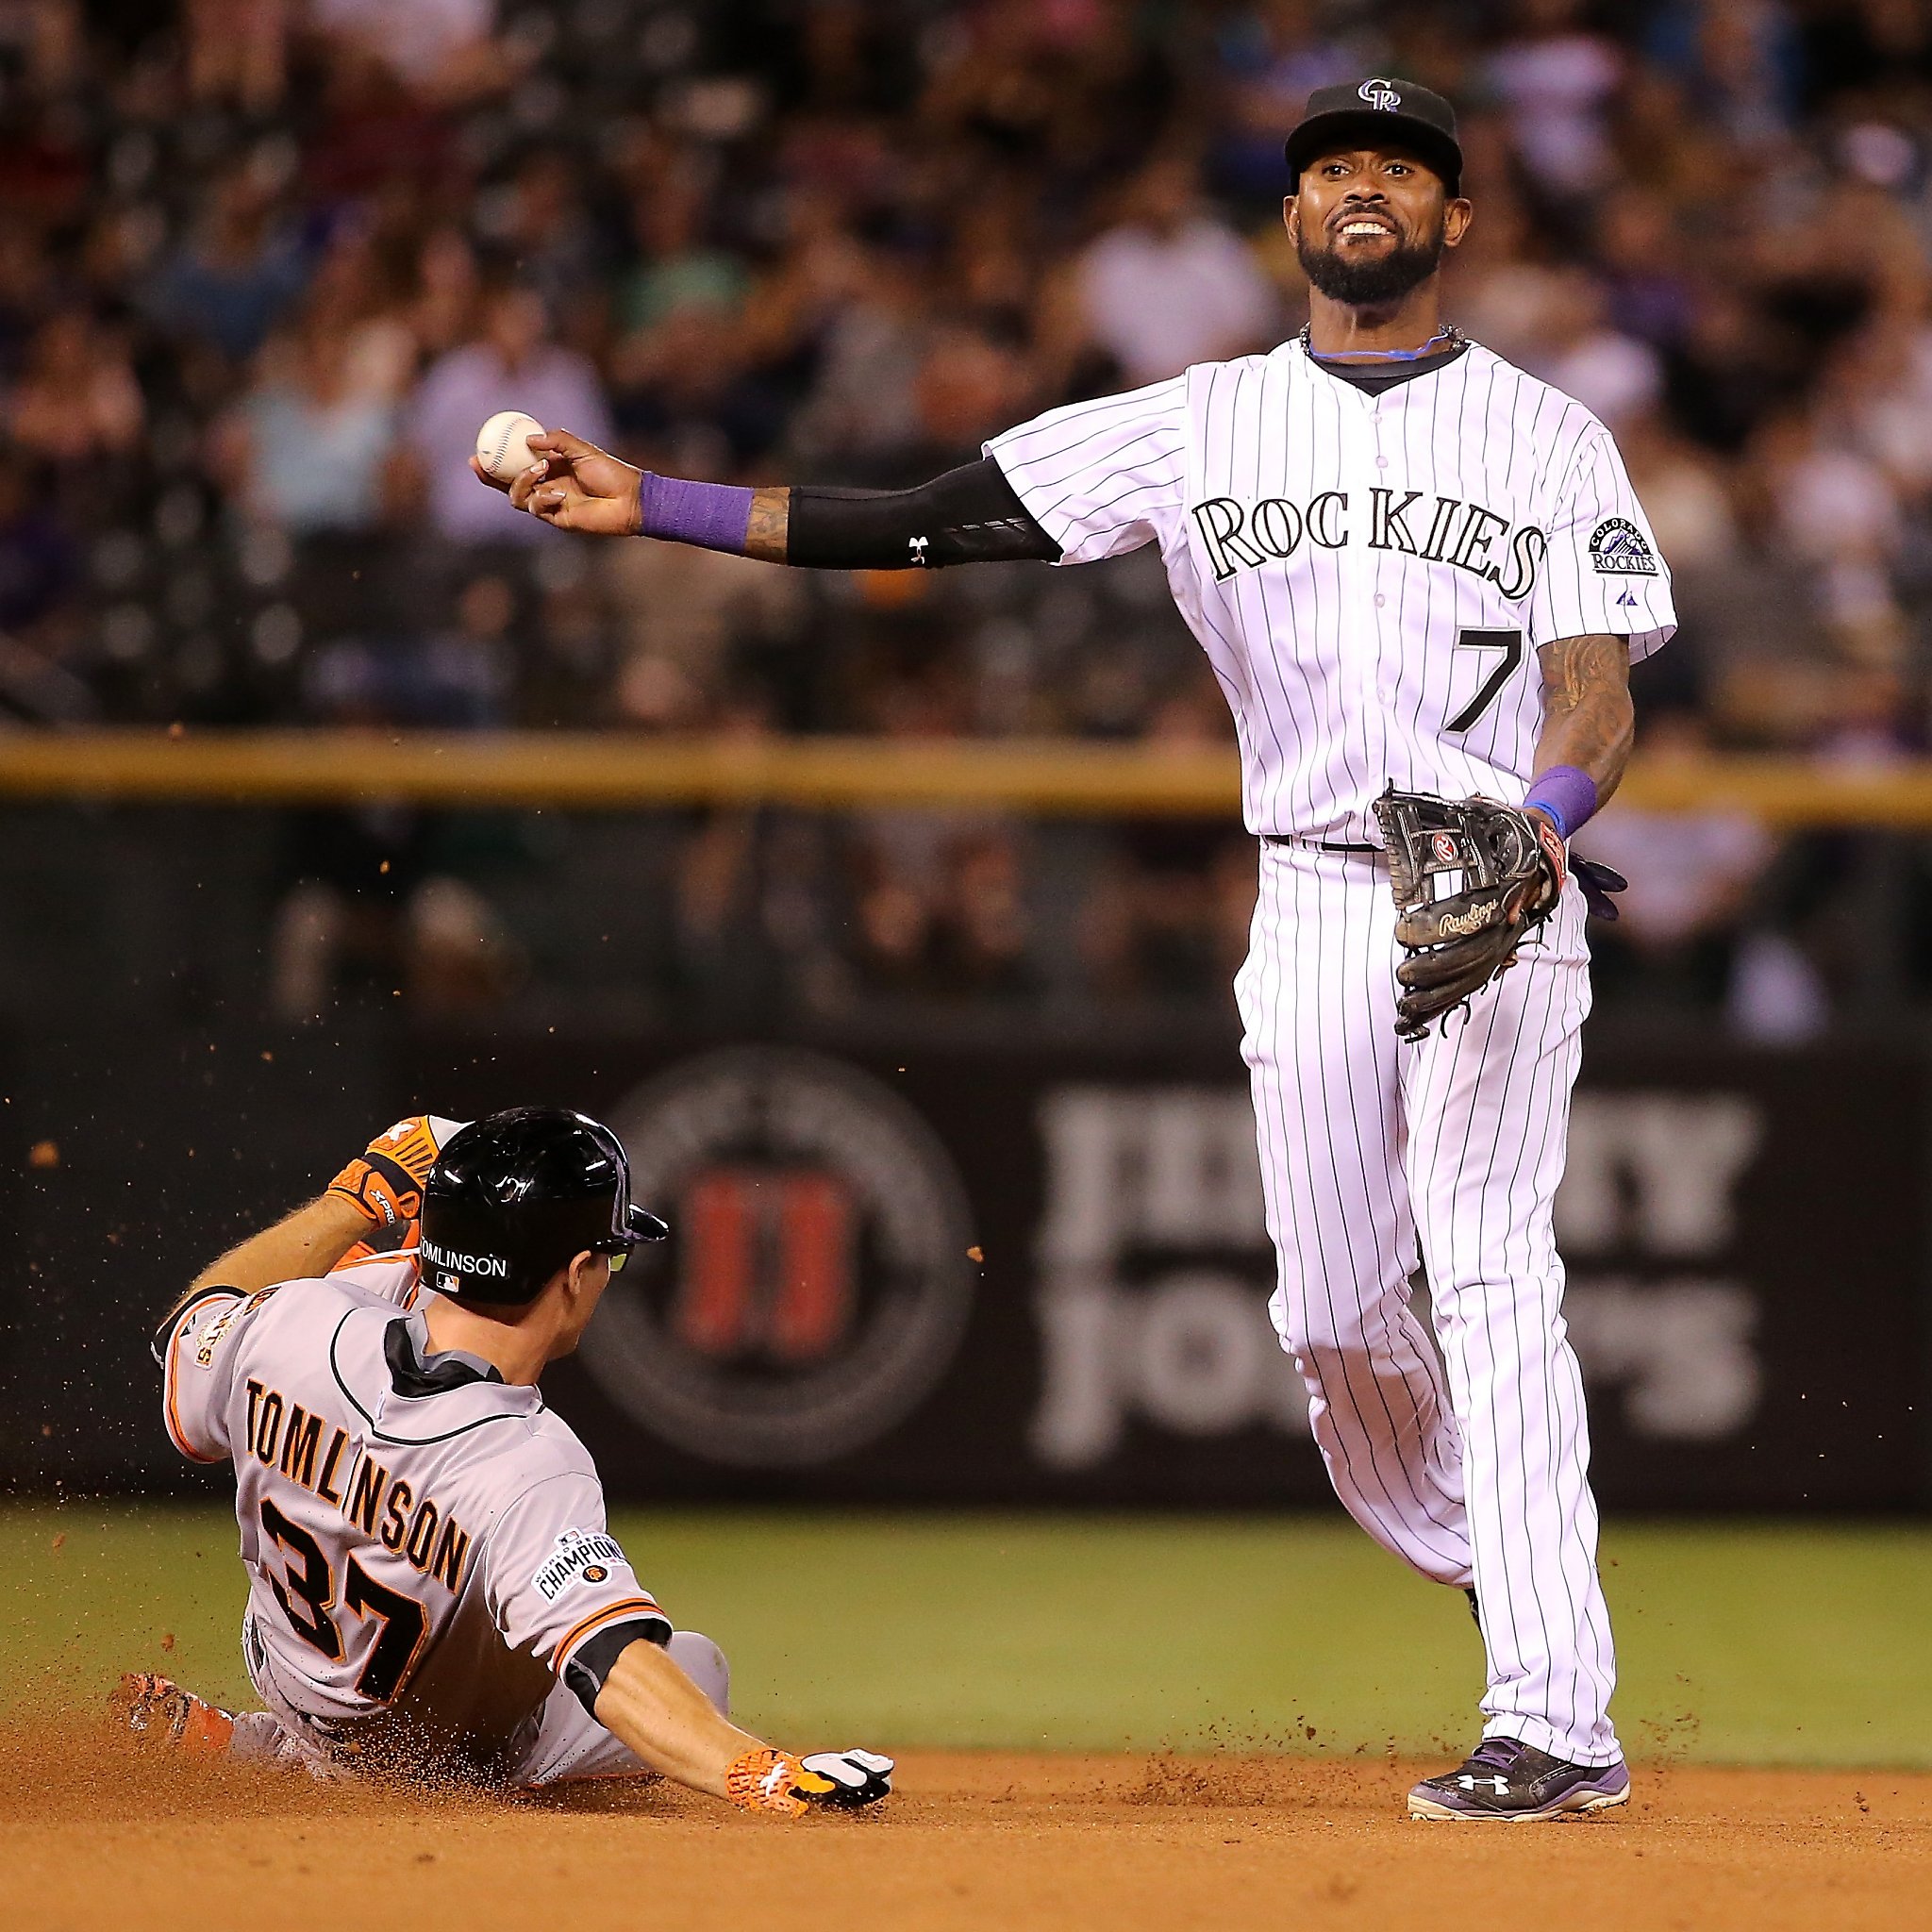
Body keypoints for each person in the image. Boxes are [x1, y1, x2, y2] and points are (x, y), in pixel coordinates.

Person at [475, 77, 1674, 1822]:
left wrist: (1543, 818)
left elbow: (1598, 686)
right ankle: (1517, 1575)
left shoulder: (1550, 433)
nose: (1363, 188)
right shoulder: (1198, 422)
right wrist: (649, 498)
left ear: (1453, 221)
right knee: (1332, 1313)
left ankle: (1553, 1709)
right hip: (1317, 892)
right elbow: (931, 516)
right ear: (1292, 216)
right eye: (1333, 165)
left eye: (1401, 171)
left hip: (1498, 881)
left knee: (1490, 1269)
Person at [126, 1108, 893, 1817]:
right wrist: (759, 1769)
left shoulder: (296, 1315)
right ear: (574, 1273)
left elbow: (188, 1340)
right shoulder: (527, 1463)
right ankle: (291, 1763)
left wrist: (352, 1202)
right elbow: (611, 1661)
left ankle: (285, 1741)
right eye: (609, 1261)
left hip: (286, 1668)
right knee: (695, 1667)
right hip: (418, 1754)